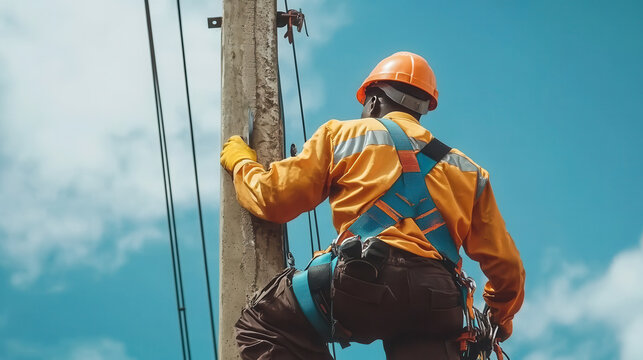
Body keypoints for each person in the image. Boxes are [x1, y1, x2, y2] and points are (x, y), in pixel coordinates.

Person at [220, 51, 525, 360]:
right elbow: (508, 270)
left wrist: (241, 162)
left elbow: (274, 200)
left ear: (374, 101)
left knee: (264, 322)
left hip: (362, 281)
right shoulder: (469, 171)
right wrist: (497, 320)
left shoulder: (343, 135)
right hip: (438, 303)